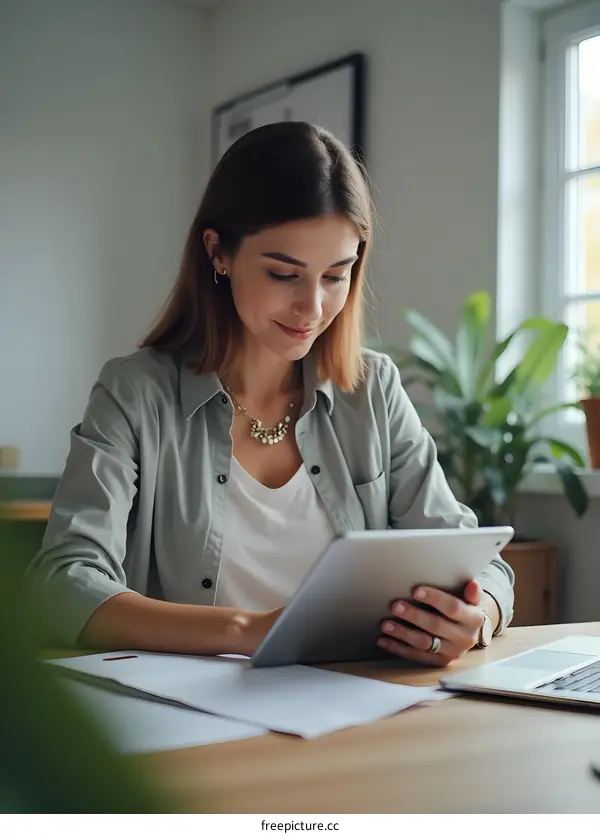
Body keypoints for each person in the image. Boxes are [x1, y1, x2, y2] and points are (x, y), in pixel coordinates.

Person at [28, 121, 514, 667]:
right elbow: (65, 583)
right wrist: (248, 629)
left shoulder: (372, 389)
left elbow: (478, 559)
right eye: (284, 273)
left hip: (356, 706)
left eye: (337, 275)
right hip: (191, 722)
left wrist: (479, 615)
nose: (313, 308)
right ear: (219, 253)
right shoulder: (135, 393)